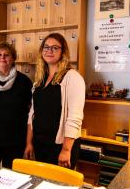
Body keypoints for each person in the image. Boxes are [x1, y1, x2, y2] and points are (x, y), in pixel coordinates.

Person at [24, 33, 85, 169]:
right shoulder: (40, 80)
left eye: (55, 48)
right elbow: (32, 115)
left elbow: (75, 117)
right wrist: (29, 143)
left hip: (60, 147)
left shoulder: (72, 77)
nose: (49, 51)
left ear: (63, 52)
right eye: (46, 47)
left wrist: (66, 150)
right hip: (39, 144)